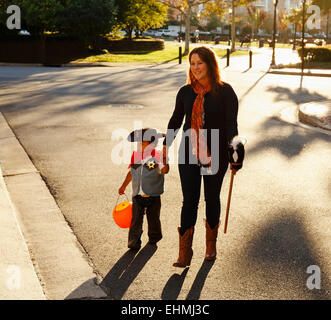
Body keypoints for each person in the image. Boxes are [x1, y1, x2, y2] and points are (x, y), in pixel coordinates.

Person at [162, 46, 243, 267]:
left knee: (211, 198)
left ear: (210, 64)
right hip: (188, 152)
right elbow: (175, 121)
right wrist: (165, 148)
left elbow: (231, 126)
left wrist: (235, 153)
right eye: (192, 63)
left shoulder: (225, 91)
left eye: (200, 63)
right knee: (189, 201)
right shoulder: (185, 92)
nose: (196, 67)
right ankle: (184, 252)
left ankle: (210, 246)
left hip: (215, 154)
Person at [119, 128, 169, 250]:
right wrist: (124, 185)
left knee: (153, 217)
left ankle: (154, 237)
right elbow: (131, 172)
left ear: (153, 144)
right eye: (138, 143)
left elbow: (164, 171)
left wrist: (164, 162)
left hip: (153, 193)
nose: (138, 145)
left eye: (142, 143)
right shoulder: (135, 156)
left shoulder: (157, 156)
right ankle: (134, 241)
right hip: (137, 194)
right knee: (135, 219)